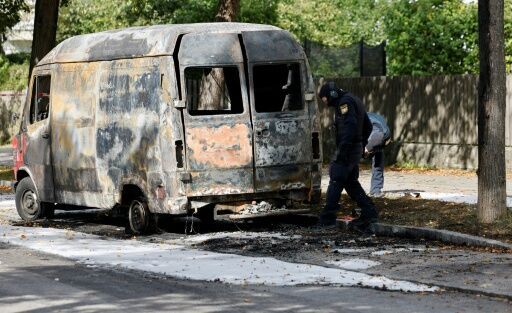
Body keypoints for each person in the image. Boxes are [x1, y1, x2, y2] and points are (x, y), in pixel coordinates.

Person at [317, 81, 379, 233]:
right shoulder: (354, 99)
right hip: (355, 148)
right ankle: (369, 211)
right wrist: (361, 144)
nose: (326, 103)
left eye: (325, 99)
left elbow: (350, 126)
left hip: (348, 149)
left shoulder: (344, 103)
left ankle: (327, 219)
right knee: (350, 182)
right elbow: (368, 126)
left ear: (331, 94)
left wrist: (344, 148)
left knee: (336, 179)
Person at [365, 112, 391, 197]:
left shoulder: (381, 136)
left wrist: (367, 149)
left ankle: (375, 190)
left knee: (378, 161)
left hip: (379, 134)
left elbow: (379, 137)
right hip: (373, 129)